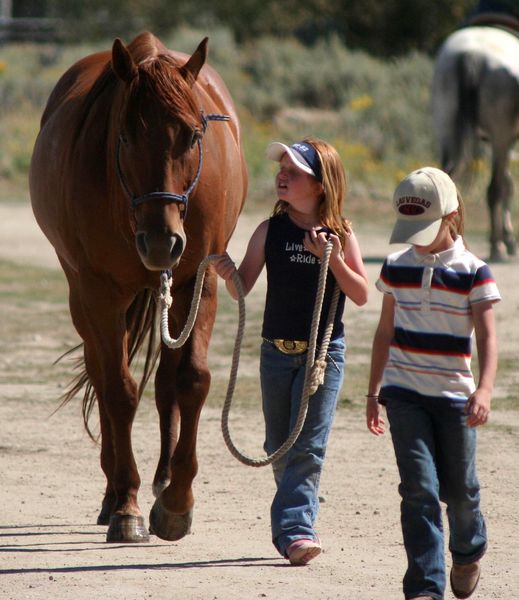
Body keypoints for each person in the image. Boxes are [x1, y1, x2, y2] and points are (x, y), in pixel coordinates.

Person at [213, 137, 369, 565]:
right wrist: (227, 273)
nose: (282, 175)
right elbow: (241, 287)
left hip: (324, 356)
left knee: (309, 447)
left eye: (295, 171)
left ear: (320, 185)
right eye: (282, 168)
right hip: (276, 353)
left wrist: (331, 259)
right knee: (278, 444)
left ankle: (296, 531)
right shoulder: (270, 231)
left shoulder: (342, 234)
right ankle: (296, 520)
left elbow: (360, 294)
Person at [366, 167, 500, 599]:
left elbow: (487, 336)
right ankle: (425, 585)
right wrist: (373, 392)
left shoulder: (474, 271)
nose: (416, 238)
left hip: (455, 401)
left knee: (460, 492)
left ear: (451, 216)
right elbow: (384, 333)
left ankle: (467, 550)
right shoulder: (396, 266)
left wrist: (484, 389)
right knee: (418, 490)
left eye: (424, 227)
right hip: (404, 395)